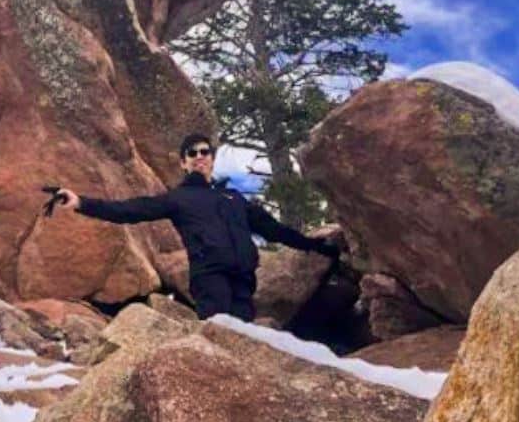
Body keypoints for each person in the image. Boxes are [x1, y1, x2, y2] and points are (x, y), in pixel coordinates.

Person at [54, 133, 341, 322]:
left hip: (243, 280)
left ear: (213, 159)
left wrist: (316, 246)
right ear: (184, 163)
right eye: (192, 153)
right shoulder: (179, 199)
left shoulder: (234, 198)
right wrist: (81, 203)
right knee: (218, 338)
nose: (200, 156)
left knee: (244, 343)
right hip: (210, 279)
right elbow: (131, 210)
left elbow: (273, 230)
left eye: (205, 151)